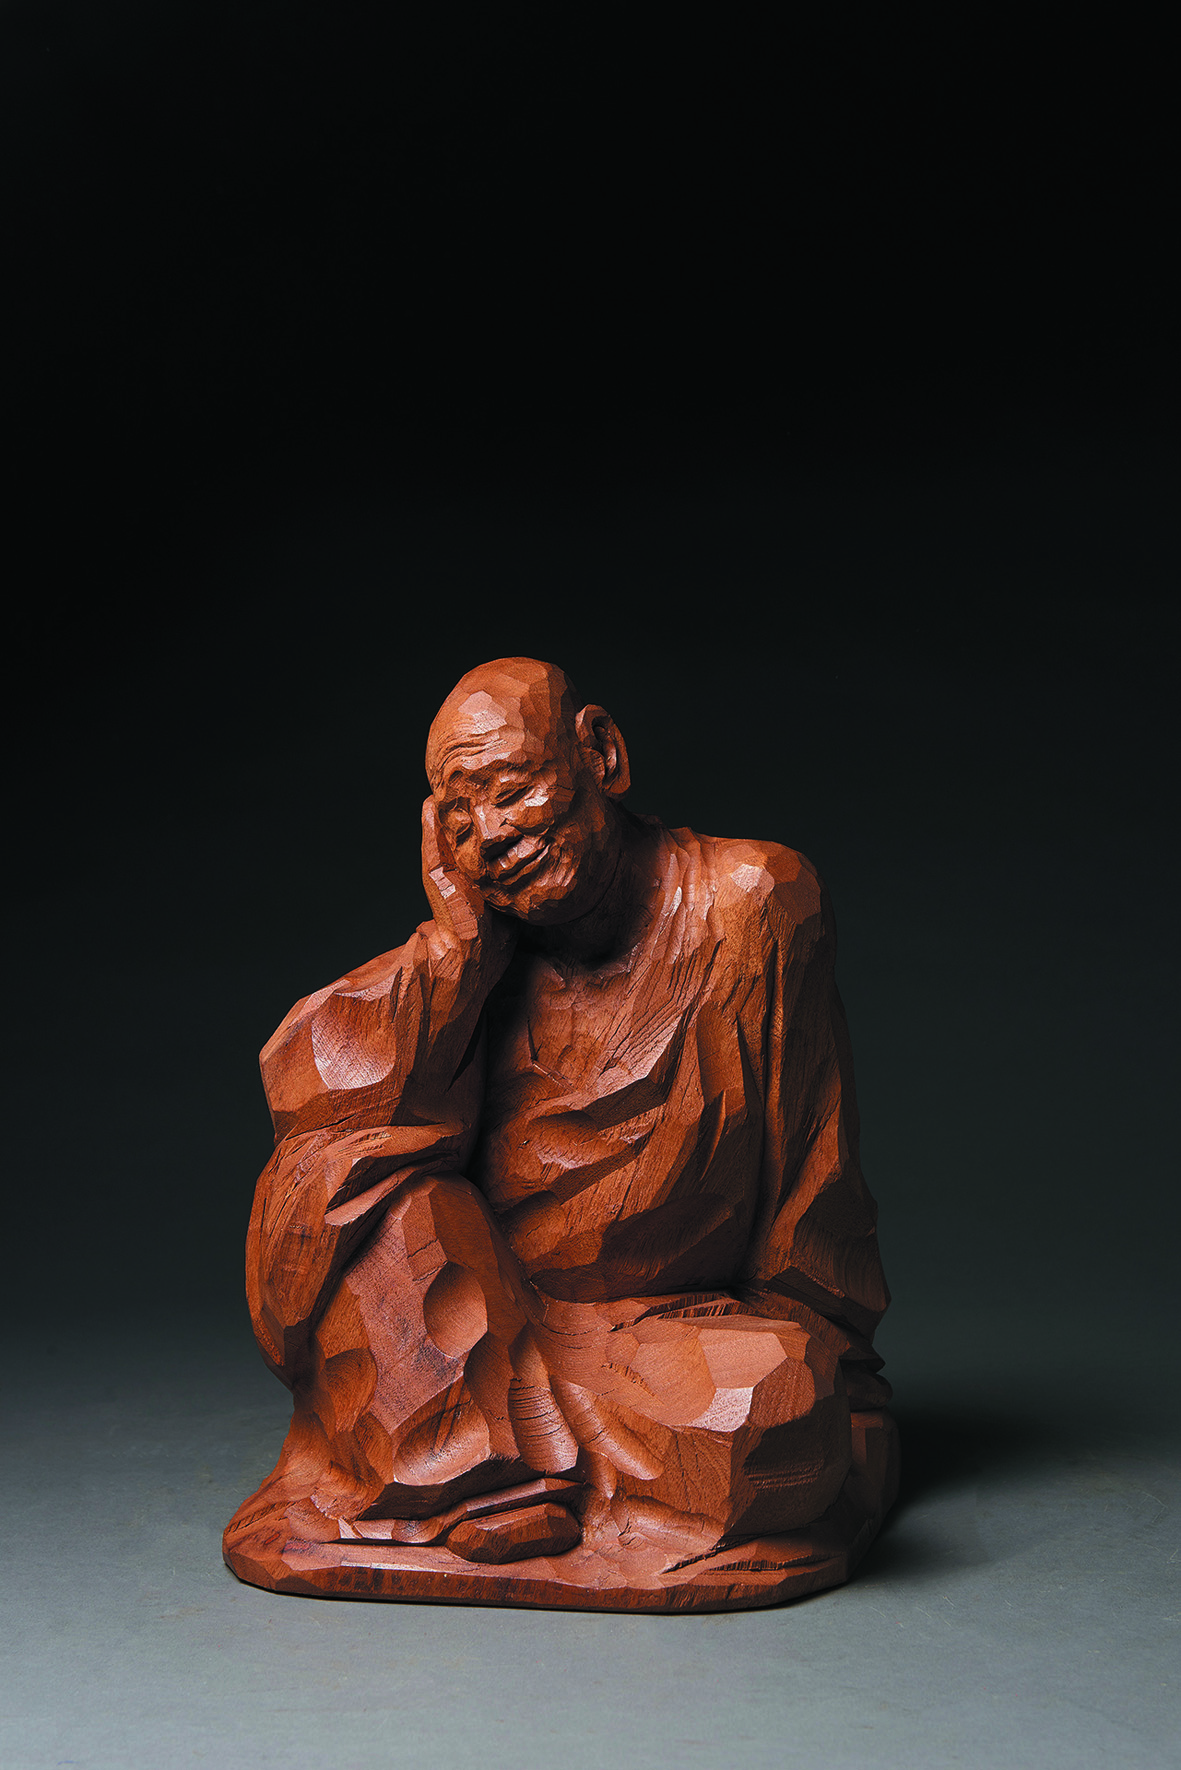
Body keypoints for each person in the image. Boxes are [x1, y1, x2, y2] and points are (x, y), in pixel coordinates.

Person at [224, 658, 897, 1610]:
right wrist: (457, 958)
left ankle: (478, 1467)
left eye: (512, 790)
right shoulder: (468, 959)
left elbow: (810, 1173)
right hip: (482, 1341)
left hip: (657, 1343)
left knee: (771, 1400)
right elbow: (315, 1120)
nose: (492, 835)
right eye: (460, 818)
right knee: (339, 1169)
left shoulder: (752, 899)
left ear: (601, 755)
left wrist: (829, 1359)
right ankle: (486, 1466)